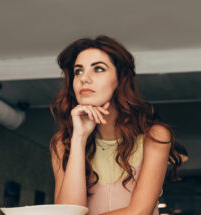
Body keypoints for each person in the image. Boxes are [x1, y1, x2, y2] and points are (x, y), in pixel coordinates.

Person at [49, 35, 182, 215]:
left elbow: (139, 212)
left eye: (98, 69)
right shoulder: (62, 144)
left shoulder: (155, 136)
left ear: (120, 79)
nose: (84, 78)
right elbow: (67, 211)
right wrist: (79, 138)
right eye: (78, 71)